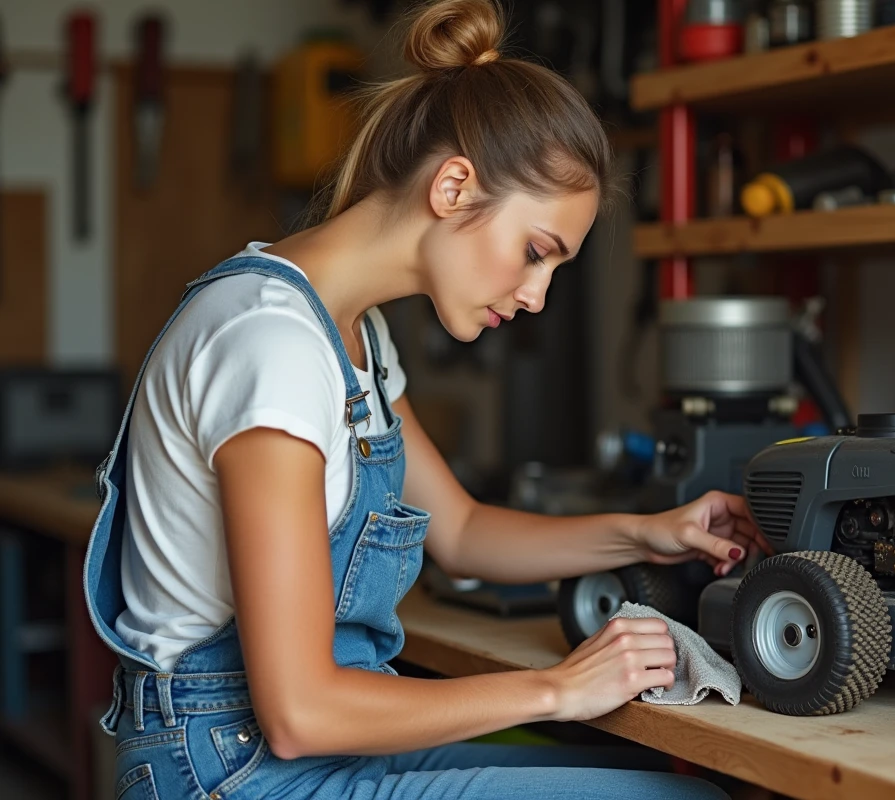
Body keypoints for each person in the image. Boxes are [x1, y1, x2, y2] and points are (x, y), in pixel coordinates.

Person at [83, 1, 770, 798]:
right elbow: (300, 712)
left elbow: (465, 531)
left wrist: (650, 533)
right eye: (535, 252)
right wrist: (557, 689)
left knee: (669, 779)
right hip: (231, 768)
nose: (537, 295)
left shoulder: (357, 340)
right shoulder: (271, 346)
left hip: (316, 743)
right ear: (453, 186)